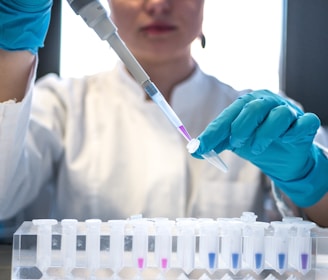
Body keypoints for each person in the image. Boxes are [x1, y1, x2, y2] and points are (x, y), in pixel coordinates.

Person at [0, 0, 328, 242]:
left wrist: (310, 177)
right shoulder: (60, 104)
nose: (157, 4)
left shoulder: (262, 117)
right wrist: (13, 46)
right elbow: (3, 199)